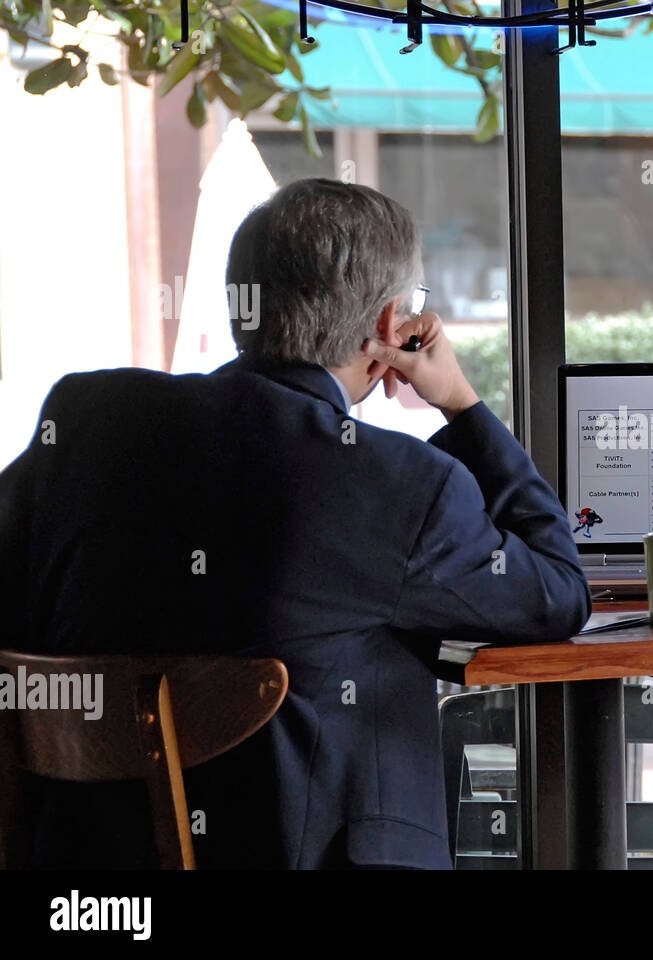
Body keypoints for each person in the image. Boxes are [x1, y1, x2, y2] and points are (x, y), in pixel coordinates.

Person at [0, 178, 591, 869]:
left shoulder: (85, 419)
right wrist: (462, 406)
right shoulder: (398, 486)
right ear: (392, 326)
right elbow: (558, 591)